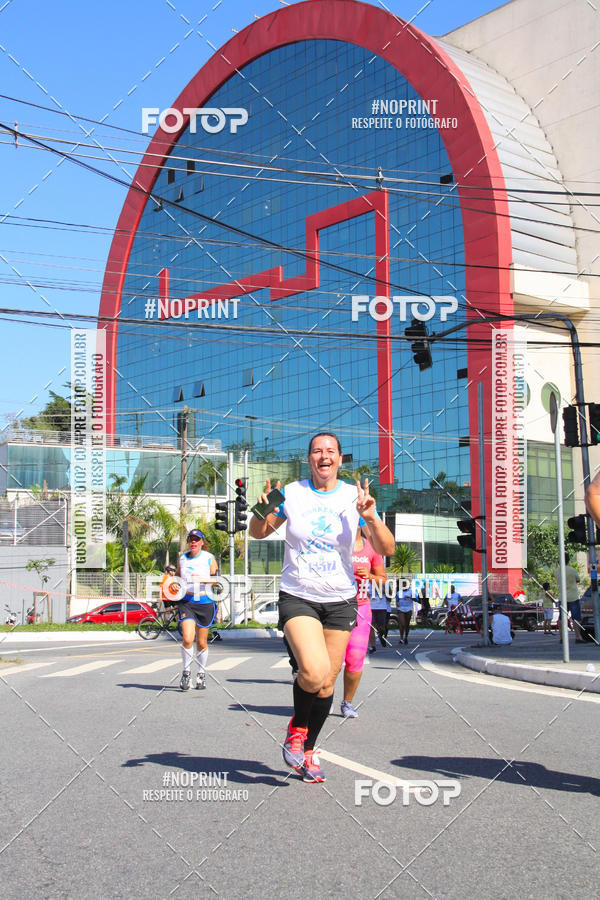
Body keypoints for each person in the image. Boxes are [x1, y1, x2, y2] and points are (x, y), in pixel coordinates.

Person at [249, 432, 395, 783]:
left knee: (328, 683)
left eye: (330, 451)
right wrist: (262, 509)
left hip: (342, 600)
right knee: (313, 672)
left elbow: (386, 549)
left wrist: (371, 518)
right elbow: (258, 533)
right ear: (309, 459)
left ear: (340, 460)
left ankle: (309, 751)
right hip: (298, 594)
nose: (323, 456)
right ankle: (297, 729)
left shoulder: (353, 497)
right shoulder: (292, 494)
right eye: (317, 451)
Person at [340, 530, 386, 718]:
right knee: (332, 661)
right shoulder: (334, 543)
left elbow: (382, 580)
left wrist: (370, 576)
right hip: (335, 606)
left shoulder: (371, 548)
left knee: (355, 657)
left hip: (361, 607)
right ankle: (322, 699)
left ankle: (347, 702)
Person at [176, 529, 219, 691]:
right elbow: (178, 578)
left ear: (202, 542)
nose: (193, 542)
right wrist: (174, 584)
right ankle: (186, 672)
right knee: (187, 638)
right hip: (187, 601)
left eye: (196, 539)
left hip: (205, 601)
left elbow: (217, 581)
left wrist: (200, 579)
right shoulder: (182, 558)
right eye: (191, 539)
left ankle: (201, 674)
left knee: (201, 642)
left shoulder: (209, 558)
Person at [554, 553, 583, 642]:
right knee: (576, 618)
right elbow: (578, 580)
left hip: (562, 597)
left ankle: (562, 638)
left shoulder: (556, 571)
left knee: (562, 618)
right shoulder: (572, 570)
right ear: (568, 560)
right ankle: (578, 637)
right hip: (573, 597)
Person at [369, 576, 391, 652]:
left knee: (382, 627)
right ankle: (373, 646)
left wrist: (382, 591)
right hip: (370, 607)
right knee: (371, 627)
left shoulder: (384, 582)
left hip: (381, 607)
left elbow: (390, 597)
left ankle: (381, 636)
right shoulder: (366, 581)